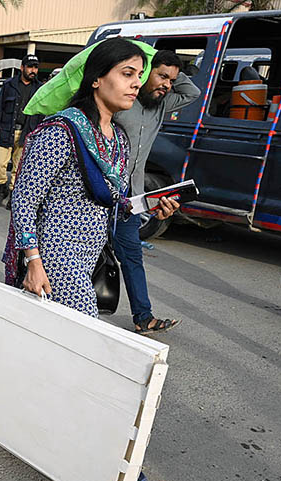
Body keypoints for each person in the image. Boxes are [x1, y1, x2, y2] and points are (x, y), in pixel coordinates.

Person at [4, 38, 177, 317]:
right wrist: (33, 262)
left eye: (140, 75)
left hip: (90, 256)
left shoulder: (119, 139)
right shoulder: (62, 131)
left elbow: (115, 204)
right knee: (85, 332)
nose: (137, 83)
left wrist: (151, 207)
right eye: (127, 73)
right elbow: (24, 199)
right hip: (56, 254)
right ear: (97, 79)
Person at [112, 50, 198, 335]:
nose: (167, 84)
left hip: (132, 194)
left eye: (171, 80)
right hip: (101, 193)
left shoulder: (163, 101)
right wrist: (146, 63)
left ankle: (143, 317)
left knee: (132, 255)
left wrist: (171, 74)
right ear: (145, 71)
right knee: (85, 254)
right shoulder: (122, 98)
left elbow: (193, 92)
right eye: (161, 76)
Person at [0, 54, 45, 209]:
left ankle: (13, 194)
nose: (33, 70)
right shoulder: (9, 85)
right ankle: (1, 190)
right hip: (6, 131)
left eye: (35, 67)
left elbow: (41, 113)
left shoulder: (39, 88)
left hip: (26, 133)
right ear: (22, 68)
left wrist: (37, 134)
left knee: (18, 167)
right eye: (30, 67)